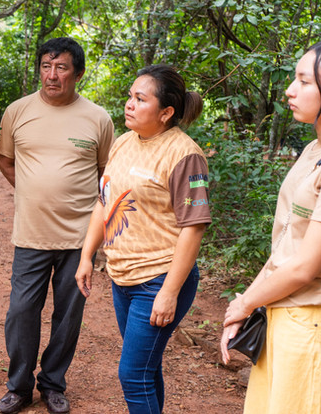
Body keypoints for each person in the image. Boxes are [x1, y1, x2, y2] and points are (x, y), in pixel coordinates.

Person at [220, 38, 321, 414]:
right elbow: (285, 250)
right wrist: (244, 308)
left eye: (305, 82)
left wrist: (245, 302)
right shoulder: (314, 151)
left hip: (312, 325)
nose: (290, 90)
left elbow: (305, 265)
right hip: (280, 314)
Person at [76, 64, 210, 414]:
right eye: (130, 96)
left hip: (159, 279)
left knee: (133, 375)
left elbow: (193, 227)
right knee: (145, 370)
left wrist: (169, 292)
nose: (129, 104)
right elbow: (104, 201)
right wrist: (86, 255)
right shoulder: (123, 142)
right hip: (123, 277)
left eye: (140, 98)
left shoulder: (184, 154)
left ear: (166, 113)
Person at [0, 37, 114, 414]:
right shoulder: (17, 111)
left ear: (78, 73)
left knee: (68, 314)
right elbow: (6, 161)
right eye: (46, 66)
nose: (52, 75)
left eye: (61, 67)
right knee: (21, 312)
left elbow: (106, 176)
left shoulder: (98, 118)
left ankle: (53, 384)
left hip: (80, 238)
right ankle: (19, 387)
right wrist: (33, 193)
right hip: (31, 234)